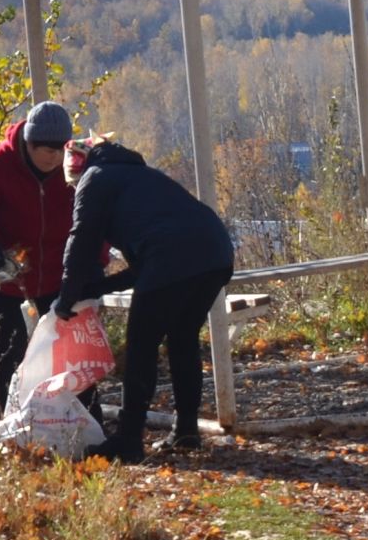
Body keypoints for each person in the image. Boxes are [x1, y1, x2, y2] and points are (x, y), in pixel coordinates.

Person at [55, 136, 234, 463]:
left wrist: (65, 297)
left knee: (140, 346)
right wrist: (98, 288)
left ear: (75, 172)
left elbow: (80, 238)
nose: (73, 191)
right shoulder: (139, 175)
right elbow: (144, 266)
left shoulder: (93, 179)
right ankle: (186, 430)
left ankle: (128, 439)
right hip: (216, 252)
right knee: (182, 339)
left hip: (174, 258)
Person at [0, 101, 80, 417]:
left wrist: (91, 261)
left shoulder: (75, 169)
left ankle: (70, 422)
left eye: (60, 150)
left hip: (57, 277)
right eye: (46, 150)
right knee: (8, 352)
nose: (53, 158)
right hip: (6, 280)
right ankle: (13, 423)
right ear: (29, 144)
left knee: (66, 354)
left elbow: (94, 219)